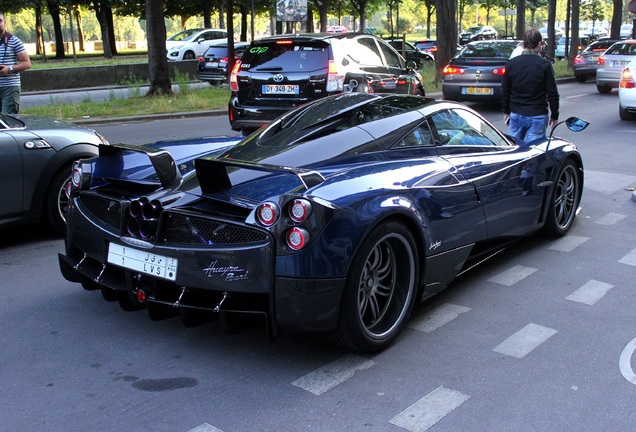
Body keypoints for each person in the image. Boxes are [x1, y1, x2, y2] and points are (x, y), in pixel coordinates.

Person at [501, 28, 559, 142]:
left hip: (516, 113)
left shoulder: (511, 64)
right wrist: (554, 115)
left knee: (515, 150)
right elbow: (552, 93)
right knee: (534, 152)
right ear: (539, 44)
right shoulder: (545, 65)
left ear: (523, 44)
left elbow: (505, 90)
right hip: (537, 114)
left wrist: (506, 111)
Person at [0, 12, 30, 114]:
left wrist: (9, 69)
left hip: (10, 87)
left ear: (5, 22)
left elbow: (26, 63)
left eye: (0, 21)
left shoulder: (14, 40)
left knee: (7, 120)